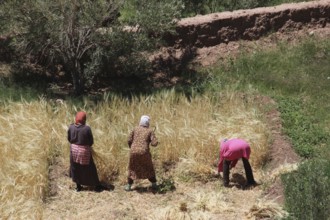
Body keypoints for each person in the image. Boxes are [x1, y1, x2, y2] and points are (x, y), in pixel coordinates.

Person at [67, 111, 103, 192]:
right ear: (84, 119)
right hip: (84, 151)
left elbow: (69, 139)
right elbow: (91, 142)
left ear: (76, 118)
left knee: (76, 168)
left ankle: (78, 186)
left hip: (74, 151)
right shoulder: (87, 128)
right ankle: (96, 186)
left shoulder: (71, 127)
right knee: (90, 168)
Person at [125, 115, 159, 191]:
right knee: (148, 167)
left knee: (132, 168)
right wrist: (155, 141)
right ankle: (154, 185)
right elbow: (154, 143)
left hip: (133, 152)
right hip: (144, 152)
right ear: (148, 123)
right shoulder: (150, 131)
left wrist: (132, 148)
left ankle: (128, 186)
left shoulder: (135, 129)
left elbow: (129, 140)